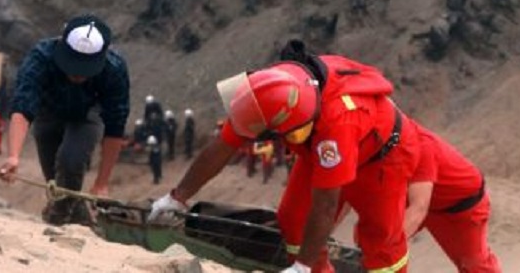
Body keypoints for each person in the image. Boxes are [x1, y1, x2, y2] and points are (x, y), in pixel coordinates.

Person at [149, 42, 421, 273]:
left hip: (382, 156)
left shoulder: (335, 126)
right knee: (293, 217)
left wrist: (301, 266)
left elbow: (326, 205)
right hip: (327, 142)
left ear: (290, 128)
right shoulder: (267, 95)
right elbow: (223, 146)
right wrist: (177, 197)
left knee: (382, 242)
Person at [0, 15, 130, 226]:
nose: (77, 74)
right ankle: (78, 219)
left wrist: (101, 183)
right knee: (56, 182)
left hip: (87, 114)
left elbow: (115, 125)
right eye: (72, 64)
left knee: (71, 161)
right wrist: (13, 156)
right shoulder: (41, 57)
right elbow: (23, 107)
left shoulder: (114, 68)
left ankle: (59, 220)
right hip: (47, 112)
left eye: (84, 68)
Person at [402, 124, 500, 273]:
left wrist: (387, 245)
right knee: (372, 238)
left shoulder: (420, 145)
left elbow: (418, 208)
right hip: (428, 201)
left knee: (474, 266)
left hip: (463, 207)